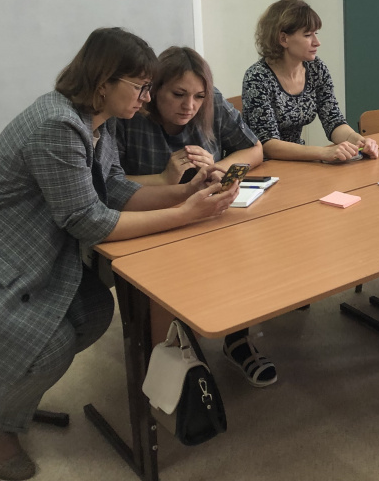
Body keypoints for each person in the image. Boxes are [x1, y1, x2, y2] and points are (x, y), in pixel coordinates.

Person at [0, 28, 239, 480]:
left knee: (93, 309)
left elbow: (113, 188)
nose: (147, 98)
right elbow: (87, 220)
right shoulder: (57, 125)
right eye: (141, 87)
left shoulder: (100, 123)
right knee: (50, 344)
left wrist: (184, 193)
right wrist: (185, 214)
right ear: (104, 82)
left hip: (5, 258)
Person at [115, 46, 275, 387]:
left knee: (247, 254)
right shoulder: (130, 116)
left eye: (198, 96)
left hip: (208, 217)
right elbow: (109, 185)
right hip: (152, 222)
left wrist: (219, 167)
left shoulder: (211, 103)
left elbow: (254, 148)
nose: (190, 106)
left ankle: (237, 338)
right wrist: (163, 179)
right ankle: (170, 358)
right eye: (178, 95)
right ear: (153, 91)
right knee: (174, 283)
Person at [242, 0, 378, 162]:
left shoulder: (315, 68)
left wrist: (358, 141)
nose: (317, 42)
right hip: (263, 165)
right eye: (307, 35)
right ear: (283, 39)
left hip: (298, 161)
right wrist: (323, 153)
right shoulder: (257, 77)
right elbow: (268, 145)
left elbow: (333, 120)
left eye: (316, 34)